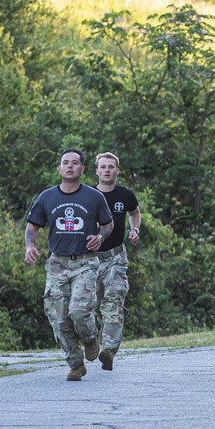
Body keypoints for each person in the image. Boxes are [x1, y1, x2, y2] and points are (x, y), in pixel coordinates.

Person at [25, 149, 114, 381]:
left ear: (82, 169)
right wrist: (29, 246)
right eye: (66, 163)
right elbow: (33, 226)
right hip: (58, 263)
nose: (70, 166)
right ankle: (76, 364)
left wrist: (100, 237)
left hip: (85, 261)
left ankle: (90, 338)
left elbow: (108, 224)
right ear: (59, 168)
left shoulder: (94, 197)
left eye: (75, 163)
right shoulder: (47, 197)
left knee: (78, 311)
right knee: (58, 317)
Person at [91, 152, 141, 371]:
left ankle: (109, 350)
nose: (107, 170)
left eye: (111, 167)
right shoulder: (88, 194)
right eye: (103, 167)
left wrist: (134, 229)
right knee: (91, 306)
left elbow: (135, 213)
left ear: (117, 171)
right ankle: (98, 335)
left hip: (116, 257)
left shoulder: (125, 195)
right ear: (97, 171)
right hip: (90, 259)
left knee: (114, 299)